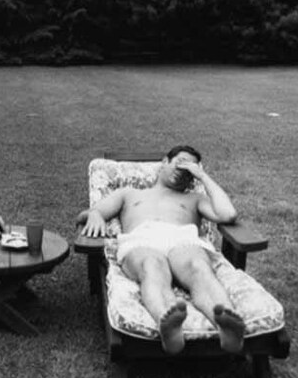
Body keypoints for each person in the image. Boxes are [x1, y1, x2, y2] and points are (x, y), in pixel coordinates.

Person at [79, 145, 245, 355]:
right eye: (181, 161)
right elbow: (90, 213)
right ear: (164, 162)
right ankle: (168, 324)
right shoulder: (129, 193)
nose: (184, 168)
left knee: (198, 267)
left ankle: (227, 326)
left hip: (183, 240)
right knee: (152, 266)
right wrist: (94, 215)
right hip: (141, 240)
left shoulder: (194, 199)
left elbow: (228, 214)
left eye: (190, 167)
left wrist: (203, 176)